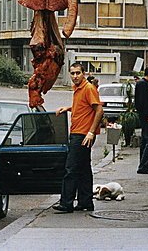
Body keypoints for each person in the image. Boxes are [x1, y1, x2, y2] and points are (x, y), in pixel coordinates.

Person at [53, 63, 104, 213]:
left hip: (82, 134)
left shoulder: (88, 88)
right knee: (83, 169)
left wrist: (91, 132)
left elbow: (99, 110)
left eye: (78, 73)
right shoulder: (78, 89)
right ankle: (85, 201)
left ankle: (66, 203)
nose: (75, 76)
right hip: (80, 132)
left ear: (83, 73)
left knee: (71, 168)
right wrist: (68, 108)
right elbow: (84, 107)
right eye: (72, 73)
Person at [134, 65, 148, 174]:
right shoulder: (143, 85)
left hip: (143, 115)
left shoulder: (141, 84)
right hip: (146, 116)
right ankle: (144, 165)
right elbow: (144, 102)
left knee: (145, 140)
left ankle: (143, 164)